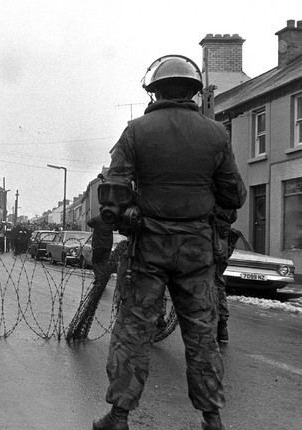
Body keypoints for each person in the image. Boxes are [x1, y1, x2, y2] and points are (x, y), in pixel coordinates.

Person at [92, 55, 246, 430]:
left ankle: (120, 415)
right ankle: (212, 417)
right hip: (197, 248)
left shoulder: (135, 131)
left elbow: (113, 190)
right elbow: (235, 195)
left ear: (155, 90)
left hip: (150, 245)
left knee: (134, 329)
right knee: (201, 334)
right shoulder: (215, 134)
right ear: (193, 91)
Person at [213, 207, 238, 344]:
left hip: (209, 243)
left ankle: (216, 326)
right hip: (221, 245)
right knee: (218, 285)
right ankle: (221, 326)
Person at [87, 213, 115, 290]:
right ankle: (103, 277)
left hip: (98, 245)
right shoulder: (111, 220)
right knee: (104, 262)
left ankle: (99, 278)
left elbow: (89, 223)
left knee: (96, 262)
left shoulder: (97, 219)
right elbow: (115, 227)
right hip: (108, 245)